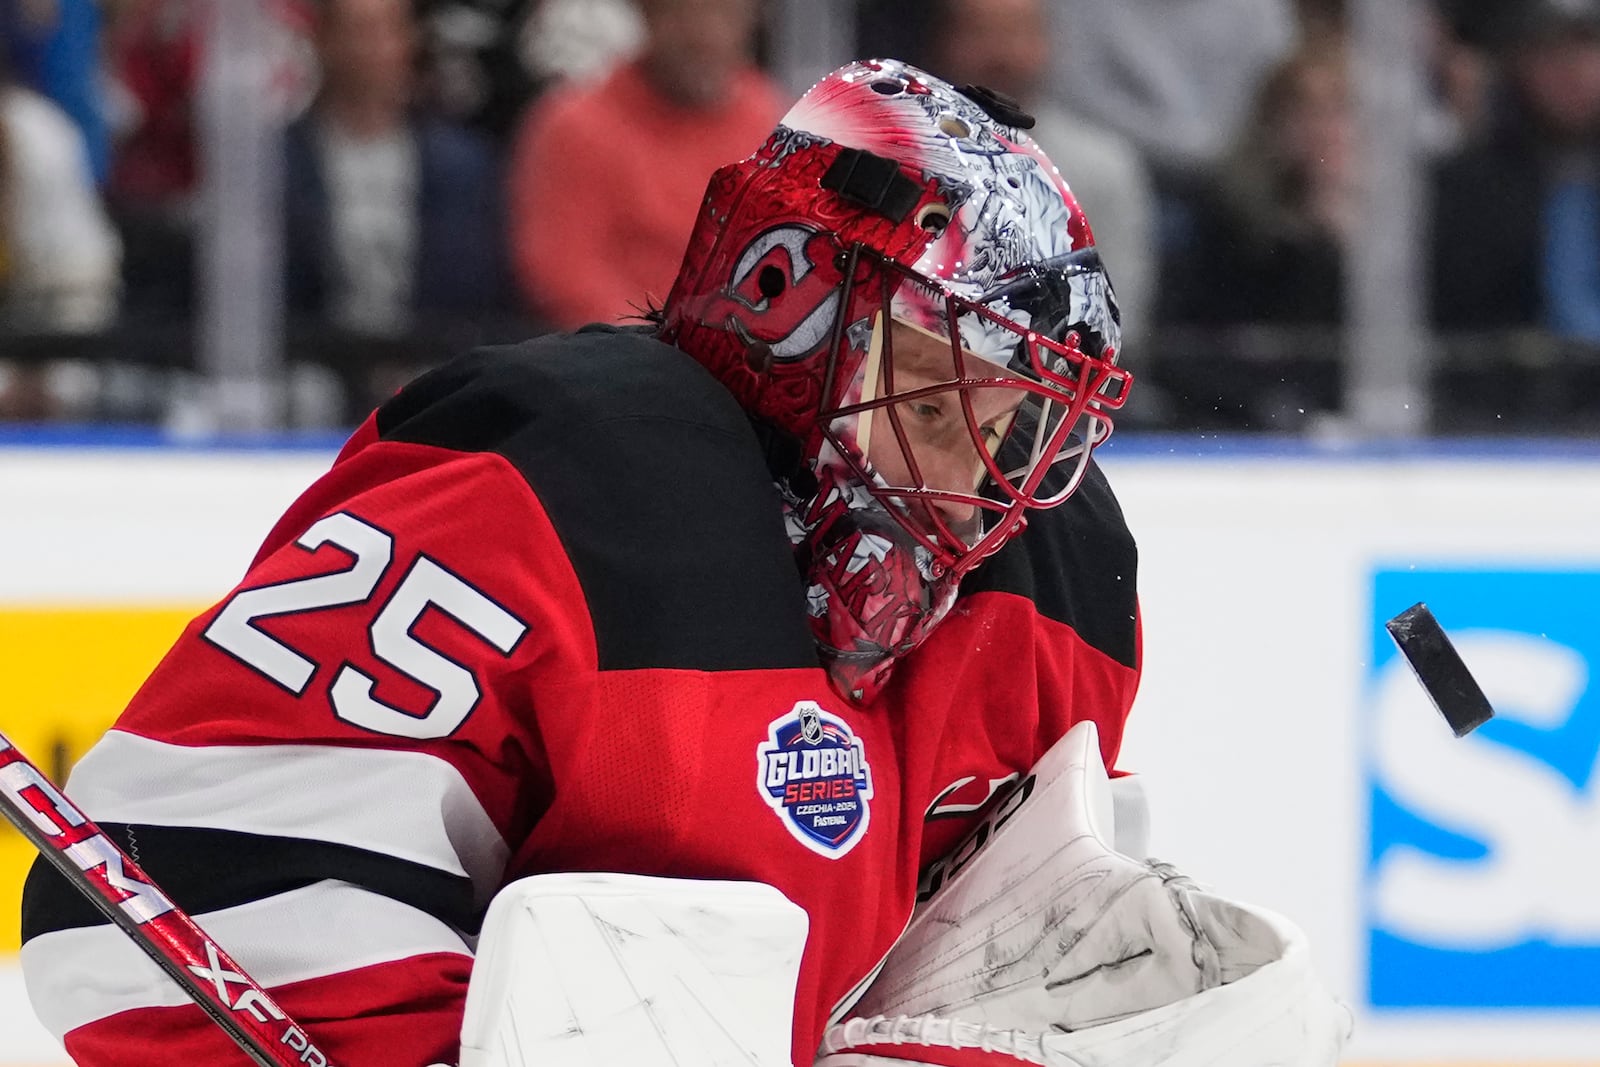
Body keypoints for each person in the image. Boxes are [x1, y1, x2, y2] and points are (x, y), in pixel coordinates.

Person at [19, 60, 1340, 1066]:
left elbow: (999, 976)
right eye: (937, 402)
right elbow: (172, 887)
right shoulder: (544, 484)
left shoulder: (1057, 580)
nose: (971, 486)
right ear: (787, 304)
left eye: (1020, 431)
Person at [505, 0, 783, 329]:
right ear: (647, 16)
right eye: (683, 15)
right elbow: (564, 274)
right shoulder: (574, 126)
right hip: (622, 358)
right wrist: (668, 344)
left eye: (726, 14)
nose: (705, 34)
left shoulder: (771, 119)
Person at [921, 0, 1156, 355]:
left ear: (1049, 43)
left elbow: (1122, 323)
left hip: (1059, 381)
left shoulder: (1105, 166)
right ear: (941, 42)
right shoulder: (903, 151)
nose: (1000, 53)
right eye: (979, 32)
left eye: (1016, 33)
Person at [284, 0, 510, 339]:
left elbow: (477, 286)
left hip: (432, 362)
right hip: (312, 362)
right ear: (321, 41)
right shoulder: (277, 166)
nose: (373, 48)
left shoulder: (463, 165)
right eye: (359, 31)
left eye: (388, 31)